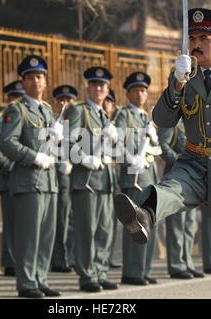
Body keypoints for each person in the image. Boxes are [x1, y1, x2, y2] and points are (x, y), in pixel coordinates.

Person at [113, 8, 211, 299]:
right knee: (169, 188)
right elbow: (161, 119)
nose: (196, 44)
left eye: (203, 38)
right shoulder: (186, 76)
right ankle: (144, 215)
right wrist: (176, 82)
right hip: (194, 162)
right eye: (192, 38)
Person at [0, 55, 61, 298]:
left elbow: (52, 148)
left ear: (45, 81)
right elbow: (6, 142)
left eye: (40, 76)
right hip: (28, 182)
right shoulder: (17, 110)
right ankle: (26, 283)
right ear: (23, 82)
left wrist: (58, 142)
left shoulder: (47, 110)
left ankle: (40, 279)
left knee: (46, 235)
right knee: (29, 236)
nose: (36, 81)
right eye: (31, 77)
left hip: (48, 182)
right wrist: (33, 157)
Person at [64, 66, 119, 293]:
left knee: (104, 230)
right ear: (87, 87)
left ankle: (100, 271)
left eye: (103, 85)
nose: (99, 88)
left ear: (107, 89)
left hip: (105, 180)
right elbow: (66, 143)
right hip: (86, 181)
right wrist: (84, 158)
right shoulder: (79, 112)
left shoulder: (102, 114)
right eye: (95, 84)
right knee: (87, 230)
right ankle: (87, 275)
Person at [115, 71, 159, 285]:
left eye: (143, 90)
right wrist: (131, 156)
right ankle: (132, 271)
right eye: (136, 90)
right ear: (128, 93)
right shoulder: (124, 115)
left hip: (148, 176)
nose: (141, 94)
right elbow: (119, 142)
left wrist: (152, 137)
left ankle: (144, 269)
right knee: (134, 223)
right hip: (133, 176)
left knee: (149, 223)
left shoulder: (146, 117)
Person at [0, 80, 25, 277]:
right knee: (11, 222)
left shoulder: (25, 115)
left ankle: (24, 260)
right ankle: (10, 262)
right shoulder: (0, 119)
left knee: (25, 222)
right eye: (14, 97)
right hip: (10, 176)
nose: (18, 100)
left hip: (26, 176)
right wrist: (7, 164)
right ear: (8, 98)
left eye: (21, 96)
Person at [158, 119, 204, 279]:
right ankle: (177, 265)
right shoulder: (172, 123)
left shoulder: (194, 124)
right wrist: (180, 159)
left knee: (189, 225)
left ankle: (188, 262)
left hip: (193, 179)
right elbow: (163, 145)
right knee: (177, 224)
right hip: (176, 177)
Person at [50, 84, 77, 273]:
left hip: (80, 173)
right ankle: (61, 259)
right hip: (62, 176)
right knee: (62, 217)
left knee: (76, 219)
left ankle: (74, 257)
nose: (65, 103)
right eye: (62, 100)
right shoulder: (54, 123)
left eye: (68, 100)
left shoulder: (77, 120)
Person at [103, 88, 122, 269]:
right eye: (104, 101)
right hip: (93, 174)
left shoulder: (115, 124)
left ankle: (106, 257)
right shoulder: (92, 120)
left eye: (109, 102)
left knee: (109, 221)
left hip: (110, 176)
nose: (105, 104)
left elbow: (120, 154)